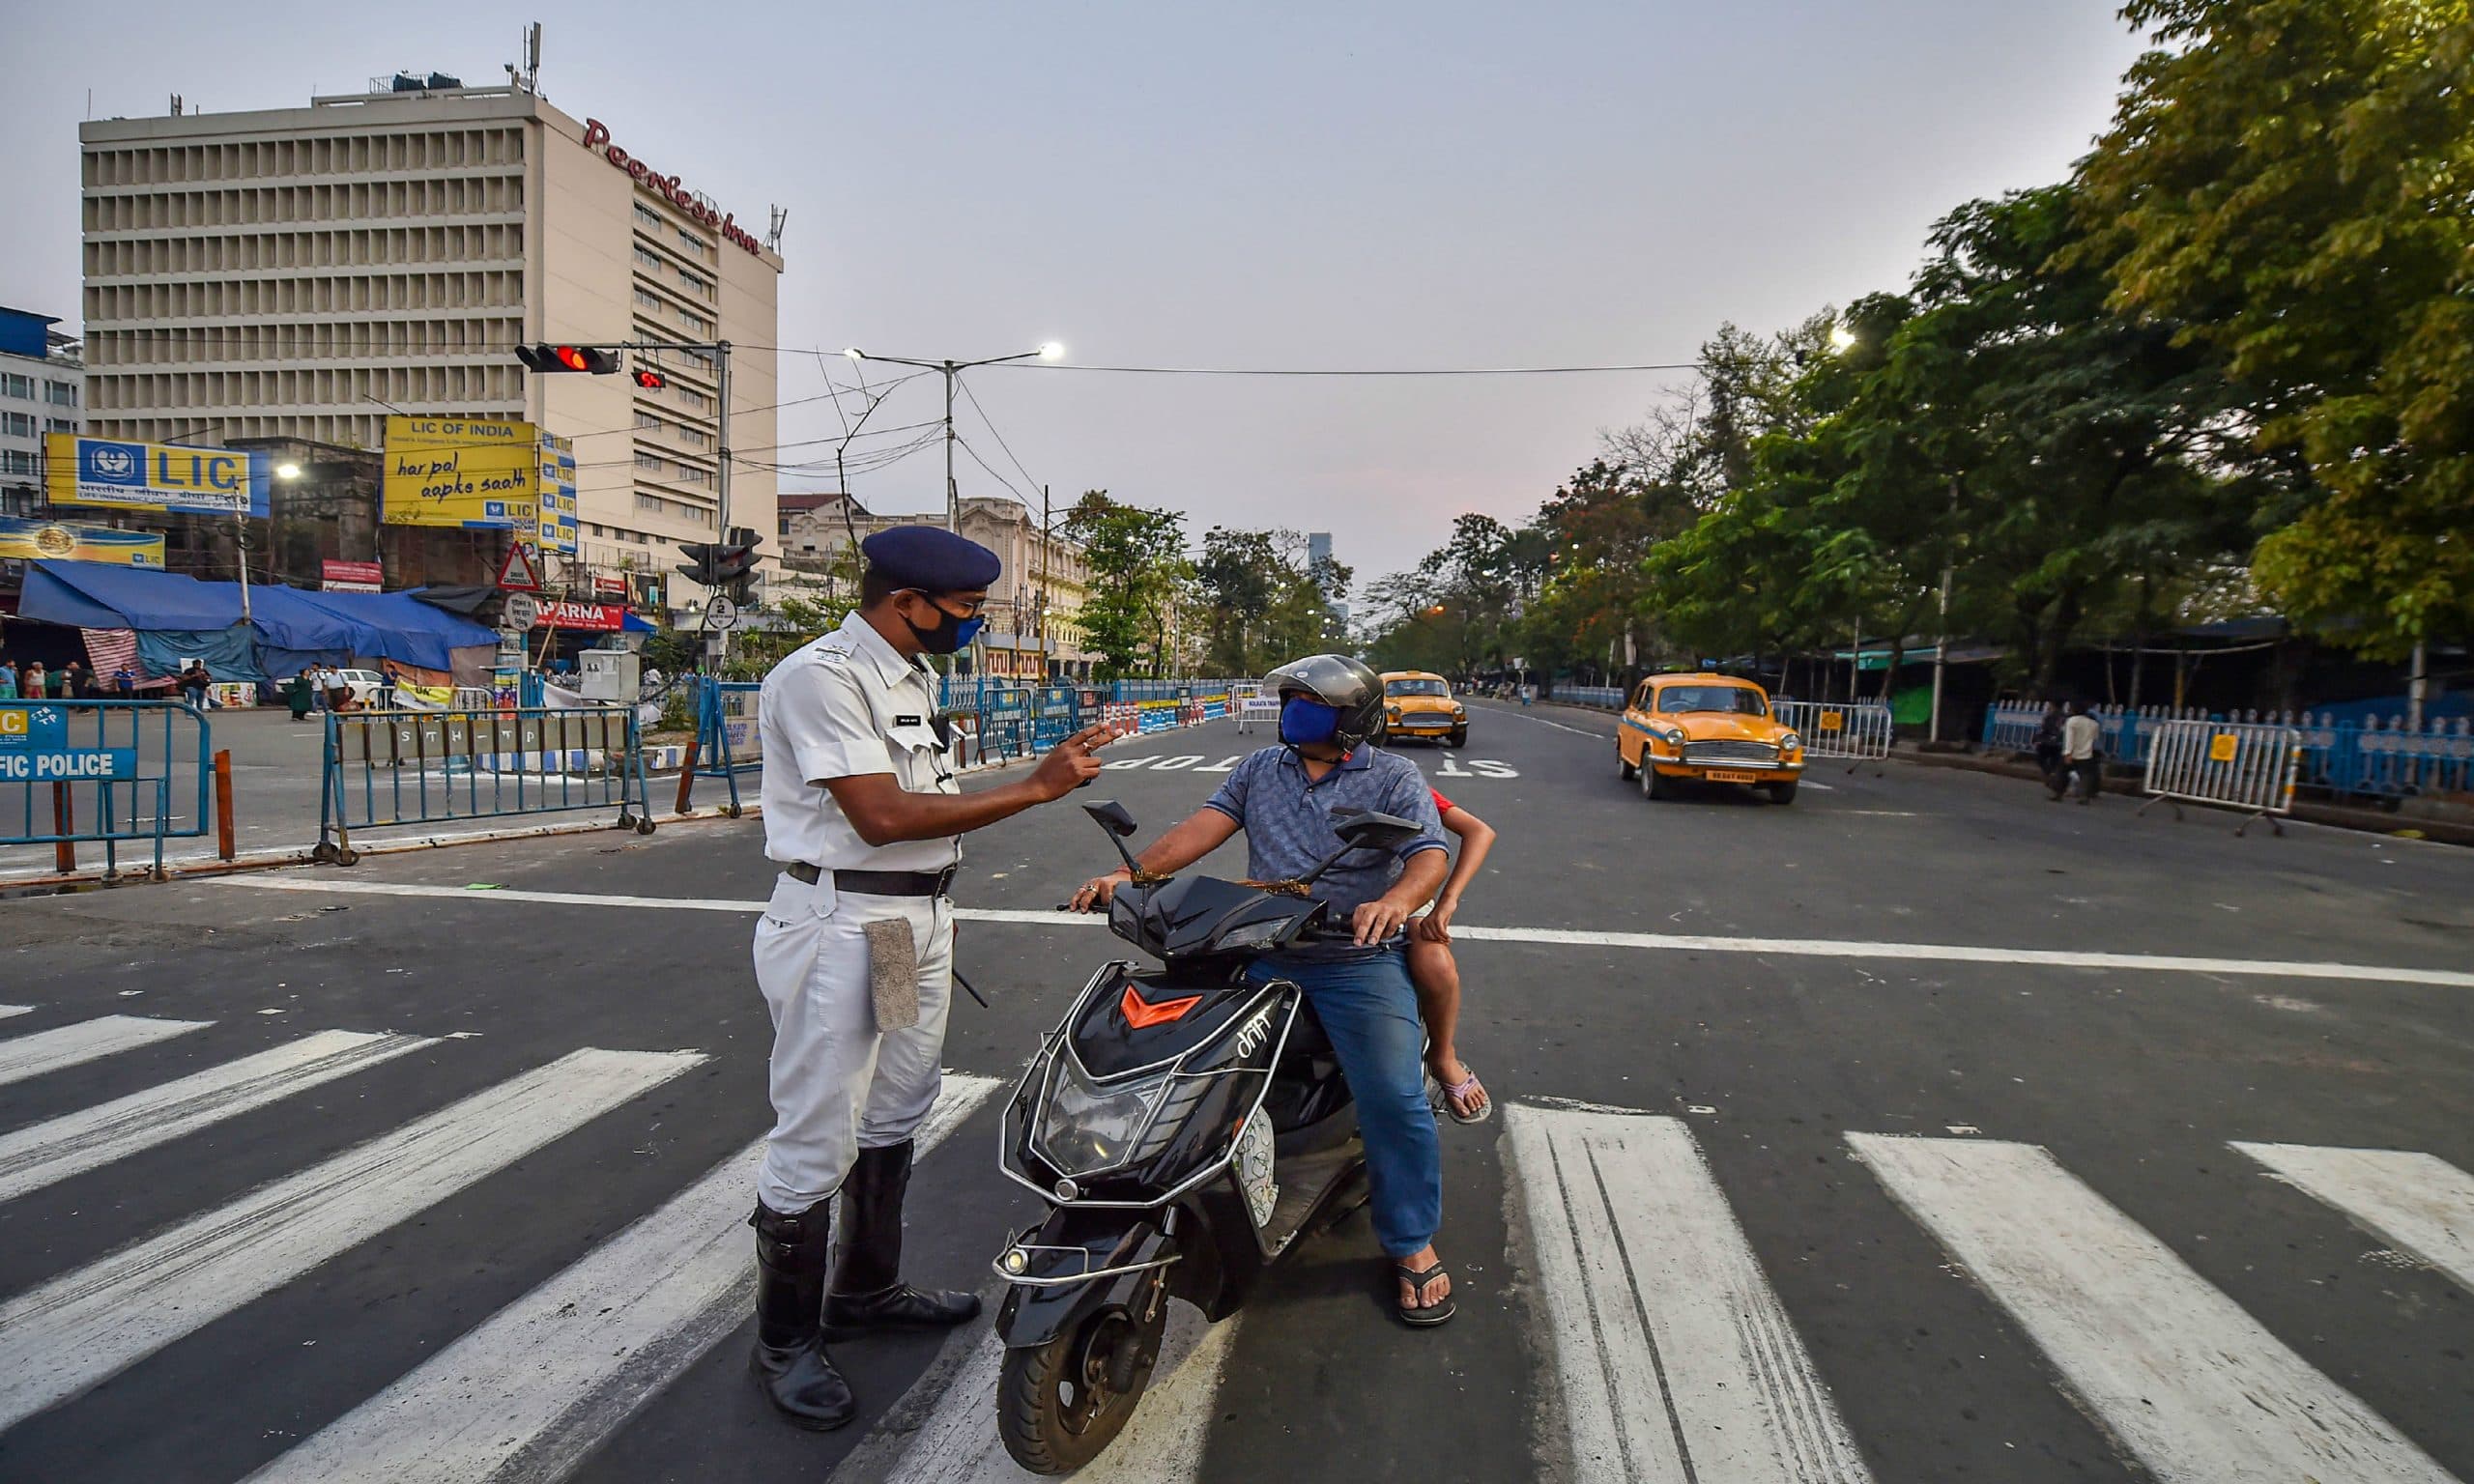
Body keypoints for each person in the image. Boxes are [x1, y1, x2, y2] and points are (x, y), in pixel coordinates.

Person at [746, 526, 1122, 1431]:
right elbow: (878, 816)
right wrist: (1037, 788)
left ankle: (865, 1291)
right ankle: (784, 1342)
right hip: (847, 923)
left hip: (905, 929)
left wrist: (1042, 772)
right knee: (817, 1133)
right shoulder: (822, 676)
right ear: (904, 601)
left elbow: (926, 803)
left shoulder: (909, 675)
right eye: (964, 611)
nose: (974, 625)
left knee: (894, 1106)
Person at [1070, 653, 1457, 1327]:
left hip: (1350, 958)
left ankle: (1412, 1240)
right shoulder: (1260, 769)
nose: (1291, 712)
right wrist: (1128, 877)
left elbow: (1428, 853)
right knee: (1177, 1054)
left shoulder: (1392, 776)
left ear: (1351, 719)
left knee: (1395, 1097)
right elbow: (1202, 829)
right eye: (1290, 700)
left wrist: (1394, 901)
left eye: (1310, 703)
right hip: (1256, 946)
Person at [1413, 789, 1496, 1124]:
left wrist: (1448, 901)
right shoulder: (1273, 773)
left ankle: (1443, 1054)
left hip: (1398, 897)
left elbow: (1479, 831)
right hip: (1307, 897)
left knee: (1435, 963)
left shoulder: (1396, 778)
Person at [2054, 700, 2103, 803]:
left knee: (2062, 772)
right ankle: (2084, 796)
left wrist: (2067, 753)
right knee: (2086, 775)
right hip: (2086, 752)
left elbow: (2069, 738)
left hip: (2072, 752)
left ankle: (2058, 794)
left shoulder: (2071, 721)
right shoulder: (2094, 724)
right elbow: (2095, 738)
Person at [2031, 699, 2065, 791]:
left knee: (2040, 758)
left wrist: (2036, 738)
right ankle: (2052, 776)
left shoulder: (2050, 716)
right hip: (2059, 743)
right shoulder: (2064, 717)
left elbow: (2045, 729)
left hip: (2047, 742)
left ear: (2053, 705)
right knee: (2054, 761)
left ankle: (2050, 775)